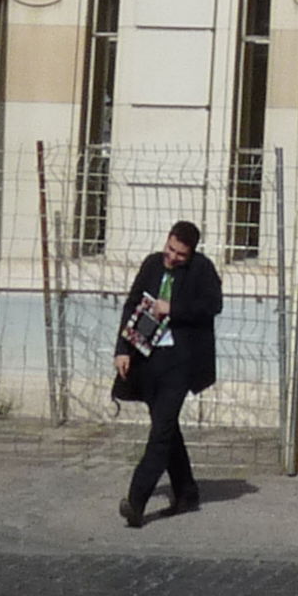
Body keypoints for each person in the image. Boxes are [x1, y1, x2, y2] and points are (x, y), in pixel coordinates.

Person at [113, 220, 222, 527]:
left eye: (180, 255)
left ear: (192, 253)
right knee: (167, 426)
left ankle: (135, 502)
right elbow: (133, 304)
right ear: (167, 241)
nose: (172, 258)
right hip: (148, 357)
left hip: (182, 361)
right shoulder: (151, 265)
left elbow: (213, 305)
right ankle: (186, 491)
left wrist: (172, 308)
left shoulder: (203, 271)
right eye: (170, 249)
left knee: (160, 433)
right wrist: (122, 348)